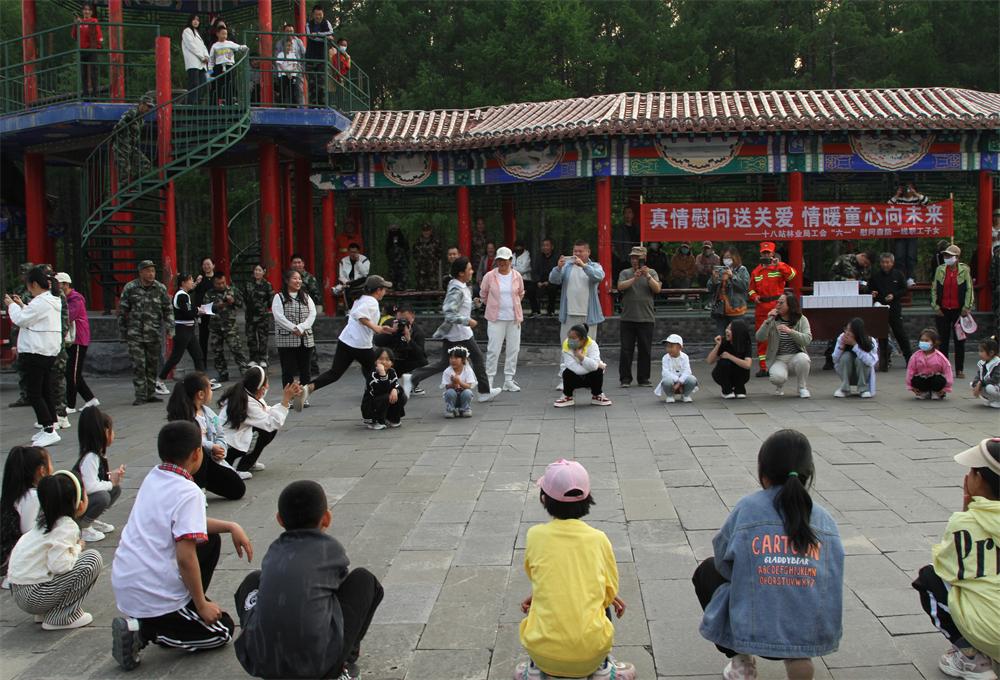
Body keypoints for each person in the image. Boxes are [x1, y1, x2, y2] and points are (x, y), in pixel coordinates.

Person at [693, 429, 844, 680]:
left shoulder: (748, 508)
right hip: (808, 631)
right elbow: (834, 576)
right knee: (800, 596)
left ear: (763, 473)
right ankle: (799, 658)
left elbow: (722, 560)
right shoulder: (825, 519)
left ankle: (741, 661)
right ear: (808, 474)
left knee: (706, 571)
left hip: (752, 630)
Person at [110, 421, 253, 670]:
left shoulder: (155, 476)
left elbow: (189, 524)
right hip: (152, 594)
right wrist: (202, 605)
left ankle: (171, 613)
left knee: (211, 539)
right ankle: (144, 631)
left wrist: (231, 526)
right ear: (197, 453)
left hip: (128, 582)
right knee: (223, 630)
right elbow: (185, 557)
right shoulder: (189, 491)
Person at [234, 480, 383, 680]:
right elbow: (335, 592)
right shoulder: (330, 550)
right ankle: (343, 662)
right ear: (326, 518)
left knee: (252, 580)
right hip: (317, 666)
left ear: (279, 519)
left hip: (259, 661)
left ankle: (271, 650)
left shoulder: (274, 550)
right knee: (364, 580)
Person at [516, 458, 635, 680]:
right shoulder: (599, 539)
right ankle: (602, 667)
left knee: (540, 608)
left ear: (544, 499)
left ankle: (536, 669)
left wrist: (537, 596)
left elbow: (539, 577)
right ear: (588, 499)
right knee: (601, 607)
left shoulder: (535, 536)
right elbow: (608, 592)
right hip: (591, 653)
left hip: (543, 655)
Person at [912, 438, 1000, 679]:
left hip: (992, 634)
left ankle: (971, 658)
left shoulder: (965, 523)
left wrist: (966, 511)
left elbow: (946, 568)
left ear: (979, 480)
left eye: (972, 471)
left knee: (929, 577)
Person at [8, 470, 103, 631]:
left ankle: (47, 612)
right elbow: (60, 566)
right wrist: (78, 548)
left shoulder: (43, 522)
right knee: (92, 559)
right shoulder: (66, 526)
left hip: (19, 592)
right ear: (79, 504)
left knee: (69, 560)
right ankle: (61, 617)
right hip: (34, 595)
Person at [297, 275, 396, 411]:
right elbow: (360, 316)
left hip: (346, 341)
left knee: (335, 373)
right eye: (384, 289)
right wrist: (376, 328)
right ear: (378, 290)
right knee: (377, 373)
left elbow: (356, 315)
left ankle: (308, 388)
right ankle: (382, 402)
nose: (385, 292)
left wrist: (378, 327)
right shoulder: (371, 301)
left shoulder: (361, 298)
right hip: (360, 345)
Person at [410, 258, 501, 402]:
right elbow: (449, 313)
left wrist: (474, 305)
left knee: (444, 363)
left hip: (458, 333)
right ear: (461, 273)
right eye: (469, 269)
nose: (472, 271)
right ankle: (484, 392)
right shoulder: (456, 289)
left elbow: (460, 308)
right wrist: (467, 321)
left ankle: (411, 379)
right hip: (459, 334)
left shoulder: (462, 286)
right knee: (477, 358)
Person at [4, 266, 63, 446]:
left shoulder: (41, 302)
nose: (28, 289)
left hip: (36, 351)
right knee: (45, 390)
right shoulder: (51, 300)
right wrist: (22, 306)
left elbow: (21, 319)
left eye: (29, 285)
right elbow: (34, 317)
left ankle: (48, 429)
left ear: (35, 284)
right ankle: (51, 424)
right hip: (47, 350)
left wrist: (11, 305)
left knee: (34, 393)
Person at [167, 372, 249, 494]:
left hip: (212, 458)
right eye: (210, 388)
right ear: (201, 394)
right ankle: (199, 487)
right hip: (191, 461)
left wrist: (221, 449)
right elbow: (191, 443)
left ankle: (202, 482)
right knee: (199, 450)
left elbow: (220, 434)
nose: (212, 392)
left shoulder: (209, 413)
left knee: (237, 489)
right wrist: (211, 447)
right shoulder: (183, 416)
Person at [220, 366, 299, 473]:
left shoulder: (247, 394)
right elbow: (272, 423)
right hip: (229, 446)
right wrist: (285, 401)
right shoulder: (247, 402)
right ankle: (241, 468)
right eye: (267, 383)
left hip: (231, 441)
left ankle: (249, 462)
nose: (268, 386)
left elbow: (267, 412)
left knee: (266, 429)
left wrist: (286, 400)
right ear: (261, 388)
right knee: (266, 431)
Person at [119, 260, 173, 406]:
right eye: (148, 271)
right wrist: (123, 332)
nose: (151, 274)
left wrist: (170, 328)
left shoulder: (160, 288)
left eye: (153, 271)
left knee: (152, 364)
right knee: (139, 365)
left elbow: (167, 309)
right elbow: (122, 311)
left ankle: (150, 393)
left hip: (154, 333)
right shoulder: (130, 288)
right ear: (141, 272)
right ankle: (140, 395)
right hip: (135, 334)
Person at [549, 240, 605, 370]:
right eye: (575, 251)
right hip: (568, 314)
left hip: (589, 316)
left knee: (589, 348)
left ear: (588, 252)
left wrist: (584, 266)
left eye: (581, 251)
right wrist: (558, 268)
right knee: (567, 347)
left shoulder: (595, 266)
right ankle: (565, 376)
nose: (577, 254)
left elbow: (599, 277)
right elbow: (553, 279)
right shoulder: (567, 267)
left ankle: (588, 374)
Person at [72, 406, 123, 543]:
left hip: (83, 500)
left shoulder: (97, 455)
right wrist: (110, 483)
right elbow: (89, 487)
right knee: (103, 496)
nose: (113, 433)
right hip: (77, 504)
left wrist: (111, 477)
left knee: (115, 489)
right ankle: (83, 526)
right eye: (112, 430)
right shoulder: (91, 457)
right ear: (105, 432)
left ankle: (90, 520)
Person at [1, 446, 51, 585]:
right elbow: (29, 533)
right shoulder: (32, 497)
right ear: (42, 470)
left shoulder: (16, 493)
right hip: (12, 558)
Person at [158, 273, 215, 391]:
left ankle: (204, 382)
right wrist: (198, 311)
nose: (192, 282)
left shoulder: (184, 294)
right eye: (190, 280)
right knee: (175, 357)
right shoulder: (181, 296)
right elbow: (188, 313)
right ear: (183, 283)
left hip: (188, 330)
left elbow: (189, 309)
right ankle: (160, 381)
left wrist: (196, 310)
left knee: (198, 355)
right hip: (182, 330)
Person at [480, 246, 525, 392]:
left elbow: (520, 293)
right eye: (500, 260)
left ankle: (509, 380)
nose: (502, 263)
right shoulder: (489, 276)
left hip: (514, 318)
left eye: (505, 260)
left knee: (513, 349)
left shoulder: (517, 276)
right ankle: (489, 381)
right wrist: (493, 306)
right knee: (493, 350)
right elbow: (483, 294)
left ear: (511, 260)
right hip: (496, 319)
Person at [748, 242, 797, 375]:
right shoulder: (756, 271)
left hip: (778, 306)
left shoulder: (779, 267)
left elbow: (792, 275)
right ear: (760, 254)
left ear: (773, 254)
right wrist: (755, 297)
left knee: (782, 334)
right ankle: (763, 367)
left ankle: (783, 364)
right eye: (764, 253)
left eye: (768, 253)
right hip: (762, 308)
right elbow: (751, 289)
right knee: (762, 337)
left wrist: (779, 264)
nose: (766, 255)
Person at [617, 246, 661, 388]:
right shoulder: (625, 272)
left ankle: (643, 378)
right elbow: (620, 286)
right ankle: (625, 379)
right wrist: (634, 278)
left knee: (645, 350)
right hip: (627, 318)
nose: (635, 260)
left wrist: (647, 276)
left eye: (638, 258)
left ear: (644, 258)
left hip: (646, 318)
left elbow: (657, 289)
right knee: (626, 350)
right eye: (633, 257)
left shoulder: (652, 273)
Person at [756, 293, 812, 399]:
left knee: (804, 359)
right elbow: (759, 337)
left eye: (781, 303)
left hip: (796, 355)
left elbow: (807, 340)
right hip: (779, 358)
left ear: (790, 305)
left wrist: (790, 332)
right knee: (777, 378)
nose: (777, 305)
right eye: (777, 302)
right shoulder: (773, 320)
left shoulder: (801, 319)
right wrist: (767, 321)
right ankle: (779, 385)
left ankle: (802, 387)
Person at [931, 244, 975, 379]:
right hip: (943, 310)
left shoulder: (964, 270)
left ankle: (959, 369)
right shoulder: (940, 270)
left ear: (957, 257)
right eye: (945, 255)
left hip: (959, 311)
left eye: (950, 255)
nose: (947, 257)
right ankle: (943, 368)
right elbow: (934, 288)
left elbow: (969, 289)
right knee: (942, 341)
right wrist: (935, 306)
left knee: (960, 341)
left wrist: (966, 307)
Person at [825, 249, 873, 370]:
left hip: (857, 301)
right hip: (839, 300)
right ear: (863, 256)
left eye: (867, 265)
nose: (865, 266)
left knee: (856, 329)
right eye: (865, 262)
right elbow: (831, 276)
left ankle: (857, 354)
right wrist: (846, 281)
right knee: (837, 329)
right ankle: (830, 358)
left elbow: (866, 282)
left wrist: (865, 288)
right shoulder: (843, 260)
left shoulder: (866, 268)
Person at [56, 273, 98, 414]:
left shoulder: (75, 299)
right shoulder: (65, 298)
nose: (56, 287)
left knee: (72, 374)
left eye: (58, 284)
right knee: (73, 373)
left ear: (66, 284)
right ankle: (90, 399)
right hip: (71, 340)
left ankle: (70, 405)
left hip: (78, 339)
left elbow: (68, 316)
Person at [273, 269, 316, 393]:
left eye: (300, 279)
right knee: (288, 371)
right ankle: (289, 397)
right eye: (295, 278)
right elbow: (279, 317)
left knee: (305, 370)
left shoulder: (306, 296)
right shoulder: (279, 297)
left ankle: (303, 396)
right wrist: (293, 328)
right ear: (287, 281)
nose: (298, 281)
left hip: (305, 338)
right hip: (286, 340)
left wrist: (302, 327)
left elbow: (312, 314)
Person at [868, 252, 912, 371]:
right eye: (883, 262)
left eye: (888, 262)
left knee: (900, 333)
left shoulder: (898, 274)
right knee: (882, 335)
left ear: (892, 263)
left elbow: (904, 289)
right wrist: (872, 293)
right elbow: (870, 289)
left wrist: (894, 295)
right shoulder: (875, 276)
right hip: (880, 308)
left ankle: (909, 359)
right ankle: (884, 361)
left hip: (894, 308)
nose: (885, 264)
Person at [203, 271, 250, 383]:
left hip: (230, 327)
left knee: (236, 349)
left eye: (223, 282)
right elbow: (205, 309)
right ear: (214, 283)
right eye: (218, 283)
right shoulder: (209, 293)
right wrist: (217, 305)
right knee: (217, 352)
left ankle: (245, 371)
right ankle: (222, 373)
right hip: (215, 327)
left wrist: (233, 301)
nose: (221, 285)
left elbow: (241, 304)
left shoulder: (232, 290)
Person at [554, 324, 612, 408]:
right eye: (569, 337)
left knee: (598, 371)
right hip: (574, 377)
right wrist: (596, 365)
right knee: (567, 372)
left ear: (583, 339)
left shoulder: (592, 344)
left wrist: (580, 357)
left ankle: (597, 395)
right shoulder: (566, 345)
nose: (570, 341)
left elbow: (594, 366)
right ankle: (567, 396)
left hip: (590, 377)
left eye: (574, 338)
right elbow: (575, 368)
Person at [373, 303, 428, 392]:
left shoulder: (417, 331)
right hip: (391, 361)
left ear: (413, 316)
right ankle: (383, 383)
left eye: (406, 320)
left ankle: (412, 383)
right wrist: (392, 332)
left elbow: (421, 355)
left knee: (423, 362)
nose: (403, 323)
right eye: (399, 320)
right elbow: (377, 341)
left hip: (408, 362)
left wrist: (409, 340)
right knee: (372, 360)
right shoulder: (389, 323)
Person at [7, 262, 35, 409]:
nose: (23, 276)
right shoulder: (19, 290)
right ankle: (26, 396)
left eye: (26, 273)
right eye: (22, 273)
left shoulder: (36, 292)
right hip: (19, 331)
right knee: (22, 367)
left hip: (32, 333)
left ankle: (36, 396)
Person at [889, 183, 928, 286]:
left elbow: (926, 202)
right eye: (906, 187)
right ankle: (901, 278)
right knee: (899, 257)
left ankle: (911, 278)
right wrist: (897, 194)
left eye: (910, 187)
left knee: (911, 256)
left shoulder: (916, 199)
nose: (908, 190)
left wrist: (915, 193)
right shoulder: (899, 199)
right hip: (900, 232)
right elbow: (887, 206)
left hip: (913, 232)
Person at [707, 248, 750, 337]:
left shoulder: (741, 269)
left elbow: (745, 286)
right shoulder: (720, 270)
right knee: (721, 337)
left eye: (729, 257)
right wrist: (714, 279)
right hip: (720, 310)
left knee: (737, 337)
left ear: (735, 257)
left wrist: (732, 276)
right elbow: (710, 288)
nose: (726, 260)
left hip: (736, 310)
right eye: (724, 257)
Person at [832, 318, 879, 399]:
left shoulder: (870, 340)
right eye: (846, 329)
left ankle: (863, 389)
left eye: (850, 331)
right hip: (847, 374)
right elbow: (835, 360)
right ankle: (845, 389)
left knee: (860, 359)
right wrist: (841, 347)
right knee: (846, 356)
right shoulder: (842, 337)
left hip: (863, 375)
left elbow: (870, 362)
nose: (847, 333)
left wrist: (855, 345)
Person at [112, 95, 153, 185]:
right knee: (124, 172)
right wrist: (116, 140)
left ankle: (134, 183)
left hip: (131, 147)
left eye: (150, 107)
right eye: (148, 106)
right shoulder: (132, 113)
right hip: (121, 146)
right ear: (141, 104)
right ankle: (125, 188)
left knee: (146, 165)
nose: (148, 109)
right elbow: (118, 126)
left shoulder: (141, 120)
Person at [707, 320, 753, 399]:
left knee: (739, 364)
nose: (726, 331)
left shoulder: (745, 343)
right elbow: (709, 361)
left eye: (730, 329)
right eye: (727, 328)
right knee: (725, 362)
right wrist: (718, 345)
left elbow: (748, 365)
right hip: (722, 375)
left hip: (741, 376)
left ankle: (739, 388)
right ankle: (726, 390)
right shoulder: (723, 342)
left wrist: (729, 356)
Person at [361, 348, 406, 430]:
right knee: (386, 397)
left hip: (384, 401)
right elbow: (382, 390)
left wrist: (395, 390)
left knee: (401, 396)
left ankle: (392, 418)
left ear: (392, 363)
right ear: (375, 361)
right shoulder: (373, 374)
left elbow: (397, 385)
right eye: (380, 359)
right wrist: (383, 374)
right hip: (371, 406)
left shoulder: (392, 372)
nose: (384, 362)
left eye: (387, 360)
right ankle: (376, 421)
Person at [906, 328, 954, 400]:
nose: (923, 342)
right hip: (922, 378)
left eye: (926, 341)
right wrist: (911, 386)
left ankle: (936, 392)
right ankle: (923, 392)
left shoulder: (940, 357)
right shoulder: (915, 356)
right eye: (922, 340)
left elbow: (947, 370)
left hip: (935, 379)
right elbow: (910, 370)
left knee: (938, 380)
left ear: (934, 342)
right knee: (916, 380)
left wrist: (946, 388)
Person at [241, 264, 273, 367]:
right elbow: (244, 298)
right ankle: (253, 358)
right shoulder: (248, 284)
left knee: (263, 338)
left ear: (264, 272)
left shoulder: (267, 285)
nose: (257, 272)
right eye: (255, 270)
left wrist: (264, 308)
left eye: (259, 270)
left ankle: (263, 358)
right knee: (251, 338)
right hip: (250, 316)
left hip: (263, 316)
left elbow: (271, 300)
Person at [207, 26, 247, 105]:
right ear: (217, 34)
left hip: (229, 66)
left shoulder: (230, 43)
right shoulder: (215, 46)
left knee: (230, 84)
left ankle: (231, 101)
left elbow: (239, 47)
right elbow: (211, 59)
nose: (224, 36)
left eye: (226, 34)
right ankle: (215, 102)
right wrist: (210, 71)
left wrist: (244, 47)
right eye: (222, 34)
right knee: (217, 84)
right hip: (218, 67)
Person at [654, 333, 698, 403]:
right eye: (667, 346)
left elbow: (687, 371)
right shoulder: (665, 358)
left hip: (682, 381)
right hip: (672, 381)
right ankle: (670, 395)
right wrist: (677, 380)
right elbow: (665, 372)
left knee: (692, 379)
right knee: (666, 381)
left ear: (680, 347)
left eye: (671, 347)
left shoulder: (685, 357)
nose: (668, 349)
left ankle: (685, 395)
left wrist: (680, 382)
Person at [305, 4, 334, 106]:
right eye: (316, 14)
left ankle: (322, 105)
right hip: (311, 58)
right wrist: (325, 37)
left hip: (322, 58)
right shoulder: (308, 24)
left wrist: (317, 34)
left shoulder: (326, 23)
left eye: (320, 14)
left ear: (323, 14)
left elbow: (331, 32)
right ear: (313, 15)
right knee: (312, 84)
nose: (318, 17)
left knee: (321, 84)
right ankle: (313, 106)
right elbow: (310, 36)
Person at [72, 3, 103, 98]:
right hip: (82, 50)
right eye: (85, 10)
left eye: (88, 10)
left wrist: (99, 45)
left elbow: (98, 34)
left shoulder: (94, 21)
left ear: (91, 12)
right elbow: (74, 36)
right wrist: (76, 24)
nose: (87, 11)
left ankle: (95, 94)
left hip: (92, 49)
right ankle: (85, 94)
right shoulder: (79, 22)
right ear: (82, 11)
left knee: (94, 72)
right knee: (83, 73)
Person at [181, 14, 209, 104]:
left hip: (202, 63)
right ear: (190, 20)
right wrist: (202, 56)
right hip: (193, 62)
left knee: (203, 84)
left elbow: (203, 46)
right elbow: (191, 45)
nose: (196, 21)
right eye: (194, 19)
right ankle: (192, 103)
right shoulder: (187, 31)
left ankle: (197, 103)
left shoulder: (198, 33)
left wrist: (206, 56)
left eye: (198, 20)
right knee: (194, 83)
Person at [441, 346, 476, 417]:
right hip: (452, 397)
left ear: (463, 359)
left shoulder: (468, 371)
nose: (453, 360)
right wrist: (453, 383)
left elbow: (469, 386)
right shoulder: (447, 371)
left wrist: (459, 382)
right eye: (451, 358)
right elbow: (447, 386)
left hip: (464, 397)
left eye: (456, 358)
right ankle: (450, 409)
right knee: (449, 392)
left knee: (468, 392)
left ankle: (465, 409)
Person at [193, 257, 216, 364]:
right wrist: (196, 282)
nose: (206, 266)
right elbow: (190, 290)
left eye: (208, 264)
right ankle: (202, 361)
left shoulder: (217, 278)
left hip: (215, 311)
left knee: (218, 336)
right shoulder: (200, 278)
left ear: (213, 265)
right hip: (203, 311)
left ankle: (219, 361)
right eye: (204, 264)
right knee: (203, 337)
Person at [532, 237, 560, 316]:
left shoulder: (556, 258)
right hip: (540, 282)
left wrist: (548, 281)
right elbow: (534, 271)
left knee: (552, 288)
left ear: (552, 247)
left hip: (552, 282)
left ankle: (550, 311)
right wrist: (538, 281)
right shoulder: (538, 258)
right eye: (543, 245)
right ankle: (535, 311)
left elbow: (558, 273)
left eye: (547, 245)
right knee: (530, 288)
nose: (545, 247)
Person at [275, 34, 304, 105]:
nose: (288, 47)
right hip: (283, 75)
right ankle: (282, 104)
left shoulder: (293, 55)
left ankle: (293, 104)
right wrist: (287, 73)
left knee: (293, 89)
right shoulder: (281, 54)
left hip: (292, 75)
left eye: (290, 46)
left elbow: (295, 65)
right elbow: (280, 65)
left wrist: (290, 72)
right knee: (283, 89)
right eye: (287, 46)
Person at [971, 339, 1000, 408]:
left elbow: (995, 379)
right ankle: (991, 399)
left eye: (981, 351)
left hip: (997, 385)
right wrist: (976, 384)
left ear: (991, 353)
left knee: (989, 387)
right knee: (972, 384)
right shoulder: (983, 362)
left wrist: (980, 383)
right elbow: (978, 375)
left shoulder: (998, 363)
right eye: (979, 351)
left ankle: (998, 400)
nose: (979, 353)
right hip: (988, 383)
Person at [413, 224, 442, 290]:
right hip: (420, 269)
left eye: (427, 230)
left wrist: (435, 261)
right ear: (422, 231)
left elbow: (439, 253)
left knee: (433, 287)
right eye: (424, 230)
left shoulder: (436, 241)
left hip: (433, 269)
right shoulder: (417, 242)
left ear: (431, 231)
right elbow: (414, 254)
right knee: (420, 287)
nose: (426, 232)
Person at [513, 241, 536, 316]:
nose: (518, 248)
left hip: (526, 280)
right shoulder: (512, 256)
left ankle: (535, 311)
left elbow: (523, 269)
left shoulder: (527, 255)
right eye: (516, 247)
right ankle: (514, 310)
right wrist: (516, 269)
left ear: (523, 247)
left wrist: (513, 269)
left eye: (519, 246)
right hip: (513, 280)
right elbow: (509, 268)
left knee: (531, 290)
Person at [385, 224, 409, 289]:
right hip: (392, 267)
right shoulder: (389, 241)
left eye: (395, 230)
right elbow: (387, 252)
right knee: (393, 284)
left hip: (402, 266)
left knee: (402, 283)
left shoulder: (403, 239)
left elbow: (407, 251)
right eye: (392, 230)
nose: (394, 231)